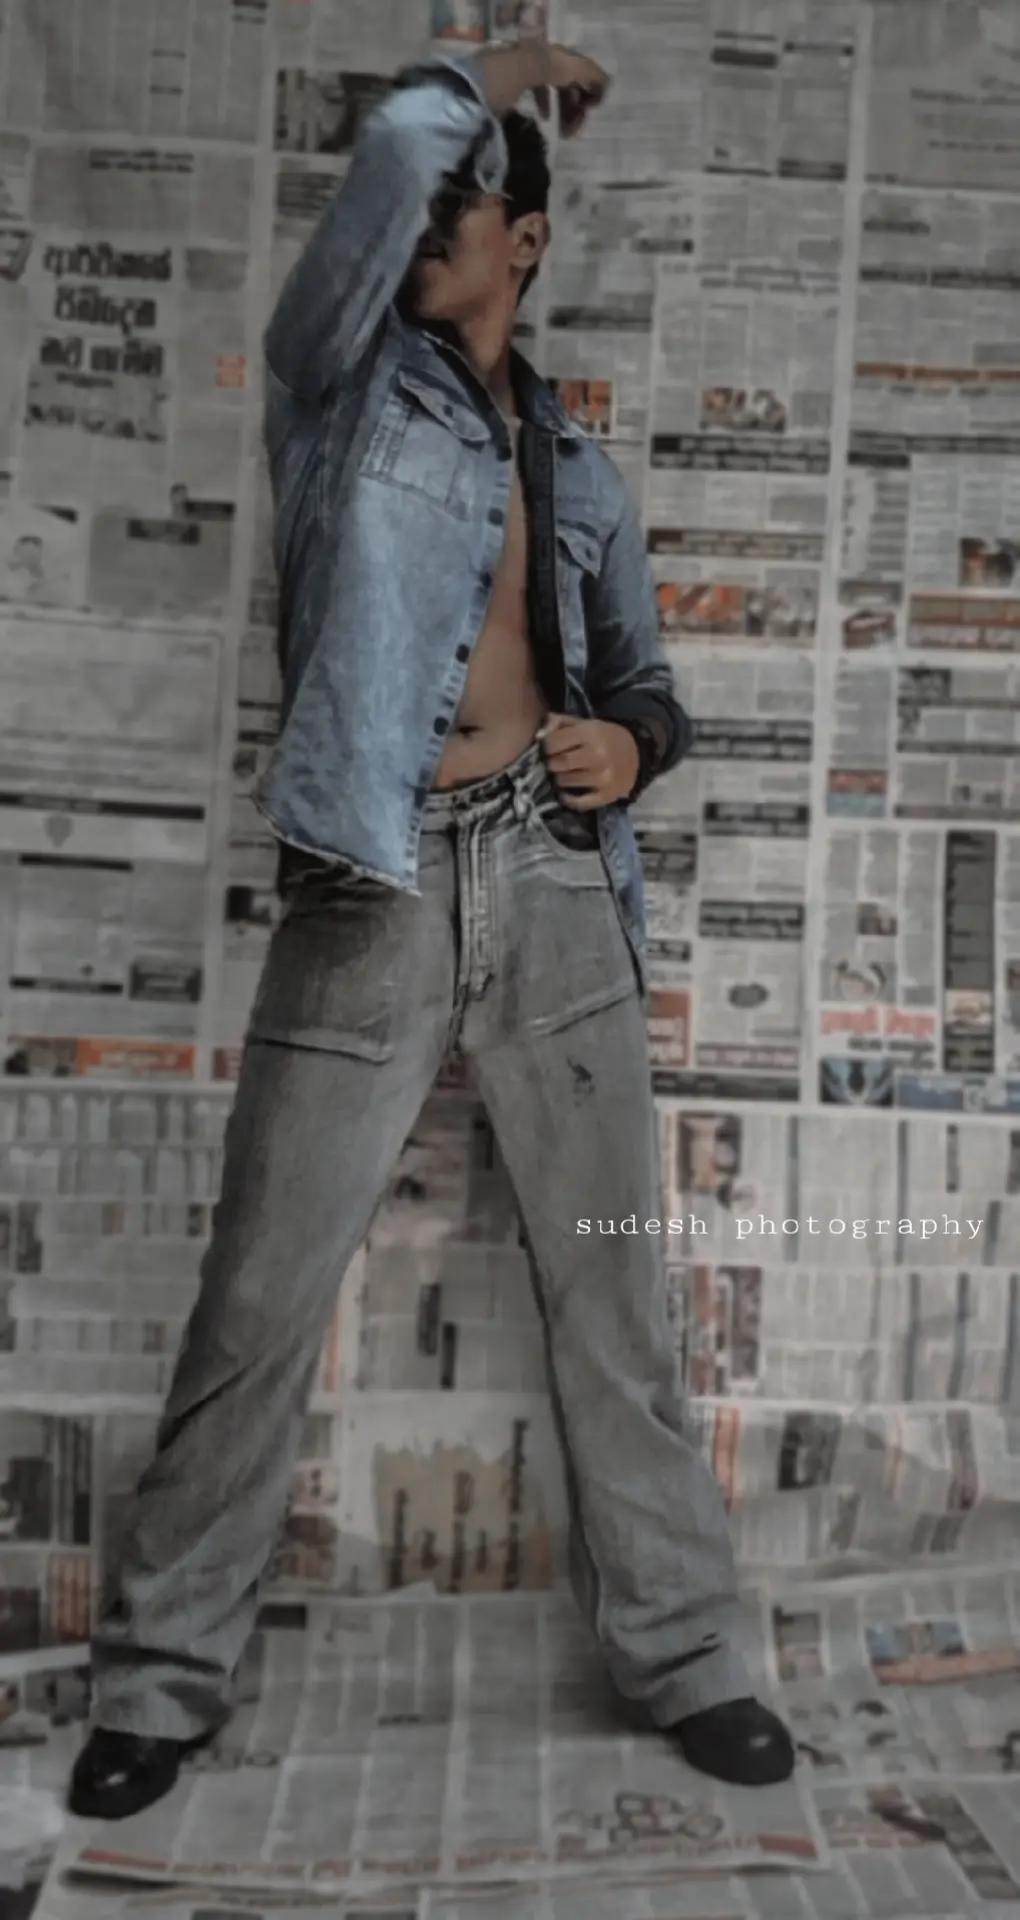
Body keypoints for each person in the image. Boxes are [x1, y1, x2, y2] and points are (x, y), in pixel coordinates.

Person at [70, 37, 794, 1822]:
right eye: (420, 206)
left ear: (526, 242)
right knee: (259, 1297)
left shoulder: (580, 465)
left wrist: (633, 747)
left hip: (553, 881)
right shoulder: (336, 382)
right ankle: (157, 1683)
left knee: (616, 1298)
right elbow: (392, 161)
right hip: (374, 880)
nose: (420, 232)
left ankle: (695, 1659)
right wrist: (494, 74)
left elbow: (647, 687)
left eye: (464, 210)